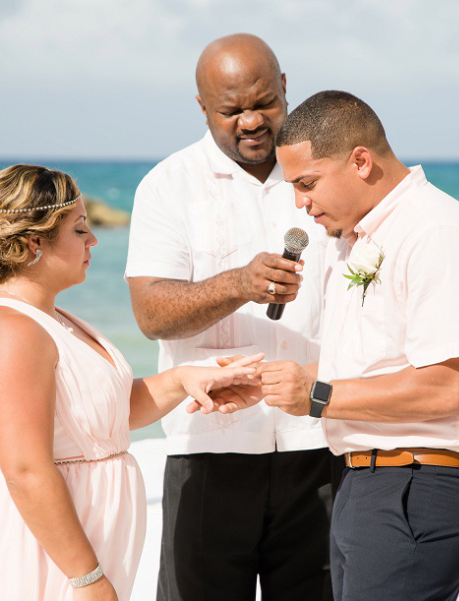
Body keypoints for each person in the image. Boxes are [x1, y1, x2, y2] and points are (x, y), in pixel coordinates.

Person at [213, 90, 459, 601]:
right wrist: (273, 385)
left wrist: (317, 394)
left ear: (360, 161)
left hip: (421, 485)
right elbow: (371, 363)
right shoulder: (359, 239)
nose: (300, 203)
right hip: (370, 481)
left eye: (307, 183)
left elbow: (446, 389)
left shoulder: (436, 231)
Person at [0, 164, 260, 601]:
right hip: (39, 557)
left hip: (83, 550)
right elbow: (26, 470)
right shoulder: (10, 331)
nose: (93, 240)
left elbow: (103, 419)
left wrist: (185, 380)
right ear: (34, 243)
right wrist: (87, 580)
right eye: (80, 230)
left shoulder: (53, 319)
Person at [125, 34, 340, 601]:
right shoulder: (167, 186)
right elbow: (150, 313)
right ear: (203, 109)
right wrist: (238, 284)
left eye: (263, 102)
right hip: (207, 449)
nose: (250, 121)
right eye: (230, 110)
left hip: (321, 444)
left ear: (286, 87)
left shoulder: (328, 174)